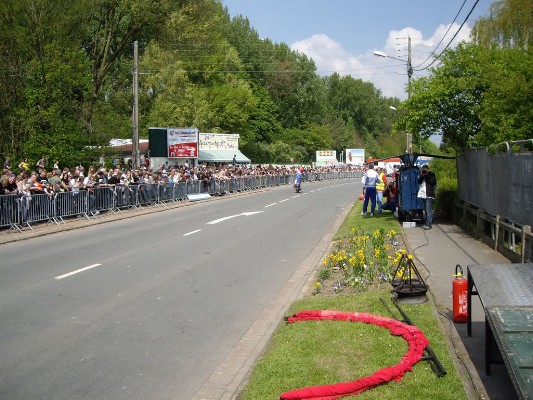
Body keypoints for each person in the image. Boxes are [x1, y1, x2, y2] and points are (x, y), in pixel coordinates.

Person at [417, 164, 437, 230]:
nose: (424, 170)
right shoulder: (422, 174)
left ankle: (429, 224)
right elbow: (418, 181)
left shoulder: (431, 174)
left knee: (428, 210)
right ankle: (426, 223)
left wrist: (427, 175)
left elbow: (432, 182)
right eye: (423, 169)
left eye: (425, 169)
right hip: (423, 194)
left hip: (429, 195)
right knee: (425, 210)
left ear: (427, 169)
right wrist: (423, 175)